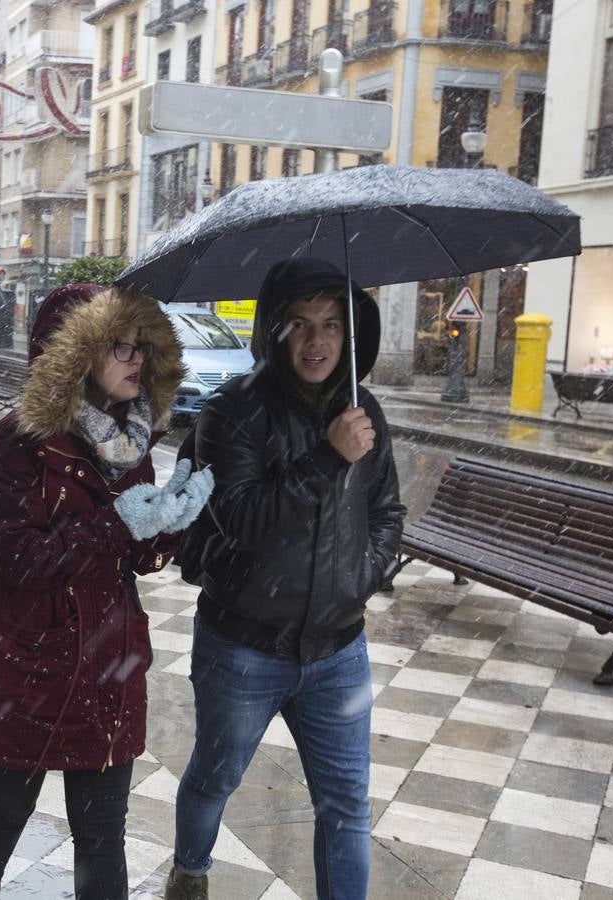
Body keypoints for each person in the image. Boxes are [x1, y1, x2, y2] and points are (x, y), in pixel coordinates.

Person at [0, 283, 214, 900]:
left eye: (139, 347)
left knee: (102, 831)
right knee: (10, 804)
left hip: (107, 654)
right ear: (75, 355)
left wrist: (172, 523)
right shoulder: (21, 440)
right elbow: (16, 557)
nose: (136, 360)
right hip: (27, 654)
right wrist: (118, 523)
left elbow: (138, 559)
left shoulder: (133, 438)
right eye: (118, 348)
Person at [166, 258, 406, 900]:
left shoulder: (364, 411)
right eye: (299, 324)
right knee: (215, 778)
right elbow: (241, 520)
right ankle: (191, 867)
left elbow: (386, 509)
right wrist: (327, 457)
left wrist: (364, 573)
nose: (317, 341)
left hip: (338, 650)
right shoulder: (233, 412)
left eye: (331, 324)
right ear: (274, 330)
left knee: (347, 807)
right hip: (244, 646)